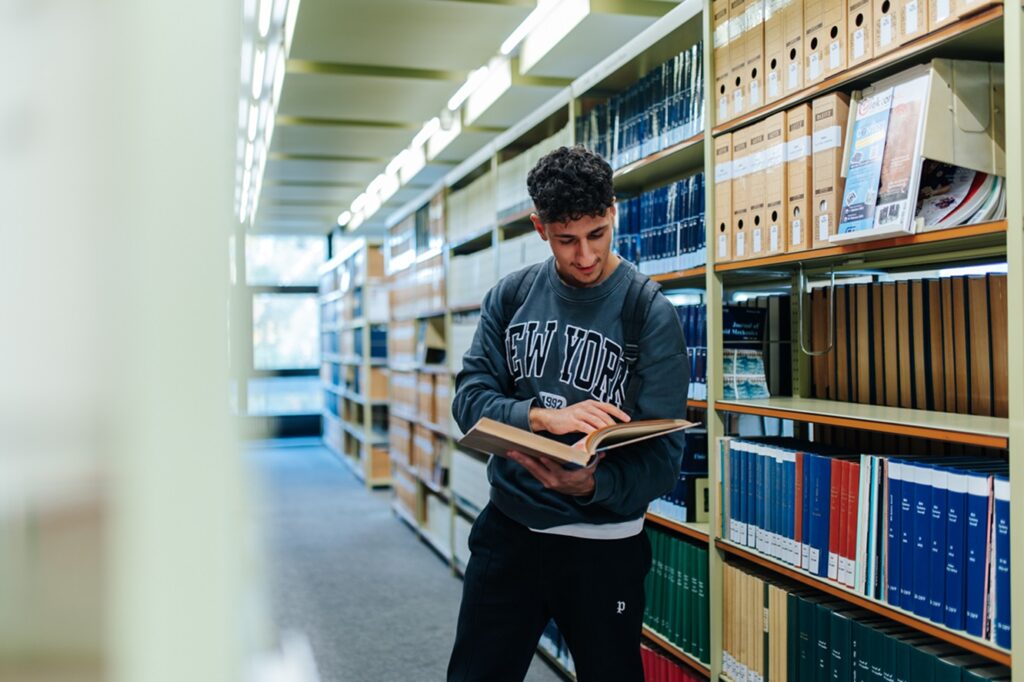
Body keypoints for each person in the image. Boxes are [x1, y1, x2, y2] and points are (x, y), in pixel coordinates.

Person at [446, 145, 691, 682]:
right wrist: (539, 417)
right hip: (508, 533)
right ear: (540, 228)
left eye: (597, 234)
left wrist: (589, 487)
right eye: (566, 240)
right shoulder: (510, 297)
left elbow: (665, 459)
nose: (584, 256)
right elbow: (468, 400)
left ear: (613, 212)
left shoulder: (648, 313)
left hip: (604, 550)